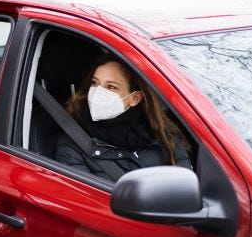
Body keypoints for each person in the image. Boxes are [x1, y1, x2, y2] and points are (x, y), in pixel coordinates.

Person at [55, 54, 191, 181]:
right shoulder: (73, 143)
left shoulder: (161, 130)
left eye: (111, 87)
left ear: (134, 98)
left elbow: (184, 185)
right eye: (95, 83)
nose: (98, 93)